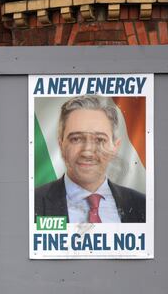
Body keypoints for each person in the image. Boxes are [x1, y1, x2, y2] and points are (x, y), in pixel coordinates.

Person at [34, 95, 145, 223]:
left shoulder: (142, 205)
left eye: (99, 140)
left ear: (115, 147)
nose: (87, 152)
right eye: (76, 139)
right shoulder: (32, 204)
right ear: (61, 145)